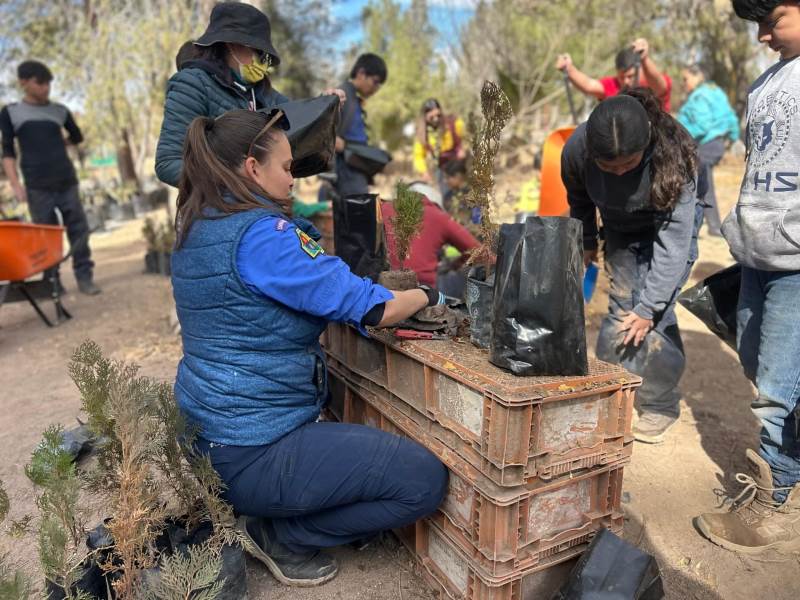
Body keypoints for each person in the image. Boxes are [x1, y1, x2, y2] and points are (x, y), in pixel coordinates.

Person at [171, 108, 448, 586]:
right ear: (252, 169)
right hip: (254, 449)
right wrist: (430, 294)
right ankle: (284, 535)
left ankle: (278, 511)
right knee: (423, 482)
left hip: (210, 440)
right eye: (286, 166)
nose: (294, 177)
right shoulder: (262, 237)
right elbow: (373, 307)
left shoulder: (198, 226)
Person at [695, 0, 800, 555]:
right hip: (758, 255)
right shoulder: (765, 83)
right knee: (759, 362)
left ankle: (779, 502)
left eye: (771, 20)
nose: (761, 35)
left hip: (797, 264)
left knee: (778, 388)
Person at [561, 89, 701, 444]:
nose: (621, 172)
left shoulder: (675, 155)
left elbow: (673, 245)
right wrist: (588, 242)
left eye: (630, 164)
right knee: (622, 308)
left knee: (654, 319)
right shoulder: (576, 150)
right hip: (620, 229)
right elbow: (578, 200)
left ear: (649, 143)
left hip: (667, 232)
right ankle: (617, 392)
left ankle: (659, 403)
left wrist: (650, 306)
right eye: (610, 168)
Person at [155, 2, 343, 187]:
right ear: (231, 44)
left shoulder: (259, 90)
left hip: (261, 205)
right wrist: (233, 183)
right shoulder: (192, 84)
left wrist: (324, 104)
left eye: (266, 57)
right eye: (259, 52)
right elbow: (168, 163)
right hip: (221, 210)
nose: (264, 62)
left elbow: (297, 121)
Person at [0, 60, 100, 295]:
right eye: (40, 83)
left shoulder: (60, 111)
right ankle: (53, 283)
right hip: (37, 186)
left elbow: (77, 136)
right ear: (24, 83)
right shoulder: (11, 113)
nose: (46, 88)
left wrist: (59, 143)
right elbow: (8, 152)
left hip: (66, 180)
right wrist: (16, 184)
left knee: (78, 229)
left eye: (48, 84)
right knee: (46, 237)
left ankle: (85, 277)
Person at [677, 64, 740, 237]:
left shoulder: (699, 96)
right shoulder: (716, 92)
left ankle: (701, 225)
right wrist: (734, 138)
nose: (684, 83)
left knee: (698, 184)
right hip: (716, 144)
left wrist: (677, 136)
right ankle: (712, 225)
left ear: (698, 77)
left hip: (705, 144)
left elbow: (701, 125)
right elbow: (731, 118)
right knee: (703, 184)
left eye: (686, 79)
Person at [382, 184, 479, 289]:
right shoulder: (438, 216)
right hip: (421, 288)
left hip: (380, 285)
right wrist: (457, 264)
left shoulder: (383, 209)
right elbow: (479, 252)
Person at [556, 38, 673, 111]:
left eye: (630, 76)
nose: (626, 81)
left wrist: (644, 59)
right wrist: (569, 69)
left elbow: (660, 85)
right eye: (622, 77)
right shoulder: (613, 85)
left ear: (641, 69)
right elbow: (589, 85)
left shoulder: (652, 83)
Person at [334, 53, 388, 198]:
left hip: (355, 166)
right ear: (361, 73)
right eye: (375, 82)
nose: (376, 88)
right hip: (346, 168)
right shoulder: (343, 93)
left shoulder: (354, 97)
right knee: (359, 213)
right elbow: (323, 128)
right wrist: (333, 140)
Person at [413, 98, 467, 192]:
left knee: (466, 193)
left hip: (459, 163)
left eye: (438, 115)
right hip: (442, 168)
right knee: (447, 196)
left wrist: (463, 149)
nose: (436, 119)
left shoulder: (453, 122)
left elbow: (468, 136)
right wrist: (424, 172)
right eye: (432, 117)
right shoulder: (422, 134)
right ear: (425, 117)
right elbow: (418, 157)